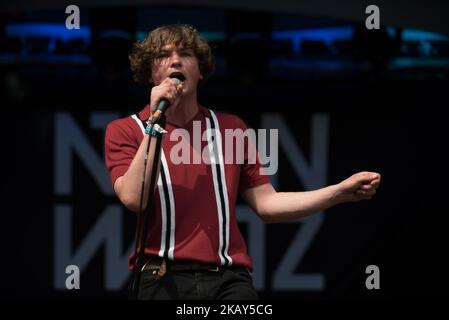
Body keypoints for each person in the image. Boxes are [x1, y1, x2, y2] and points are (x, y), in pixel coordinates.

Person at [104, 24, 381, 300]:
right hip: (161, 278)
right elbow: (134, 198)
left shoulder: (230, 129)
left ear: (200, 71)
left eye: (186, 53)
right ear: (150, 73)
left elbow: (268, 204)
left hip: (229, 278)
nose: (176, 60)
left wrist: (337, 193)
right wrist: (155, 120)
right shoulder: (126, 130)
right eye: (163, 55)